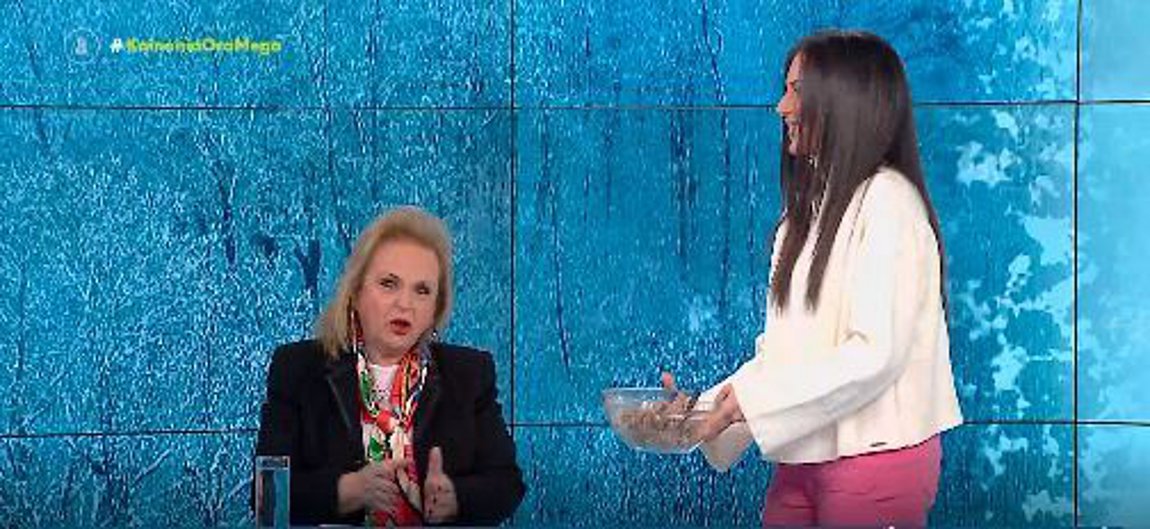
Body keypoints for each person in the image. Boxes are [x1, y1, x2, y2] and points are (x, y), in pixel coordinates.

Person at [664, 30, 963, 526]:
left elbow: (875, 355)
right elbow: (787, 358)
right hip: (804, 457)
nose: (781, 108)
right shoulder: (803, 217)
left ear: (846, 99)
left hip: (878, 460)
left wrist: (746, 405)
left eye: (797, 91)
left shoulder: (889, 203)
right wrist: (700, 413)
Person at [255, 206, 524, 526]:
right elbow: (267, 497)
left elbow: (507, 485)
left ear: (436, 308)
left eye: (422, 290)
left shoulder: (469, 374)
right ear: (355, 292)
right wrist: (349, 490)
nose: (405, 304)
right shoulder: (298, 369)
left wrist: (455, 498)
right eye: (388, 283)